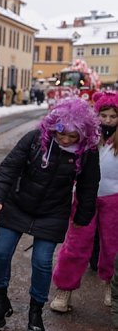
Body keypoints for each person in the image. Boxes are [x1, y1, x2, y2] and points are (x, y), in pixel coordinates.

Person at [0, 98, 100, 331]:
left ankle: (35, 312)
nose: (65, 140)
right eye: (62, 134)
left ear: (83, 134)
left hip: (53, 212)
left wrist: (83, 215)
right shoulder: (35, 139)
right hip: (18, 204)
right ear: (54, 126)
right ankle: (0, 301)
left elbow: (89, 186)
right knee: (1, 253)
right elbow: (9, 168)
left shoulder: (87, 152)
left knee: (42, 261)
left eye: (72, 136)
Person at [50, 92, 118, 312]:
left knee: (112, 246)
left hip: (113, 198)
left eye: (112, 116)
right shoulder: (89, 138)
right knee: (76, 244)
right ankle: (65, 289)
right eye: (103, 115)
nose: (107, 120)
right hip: (86, 196)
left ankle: (112, 285)